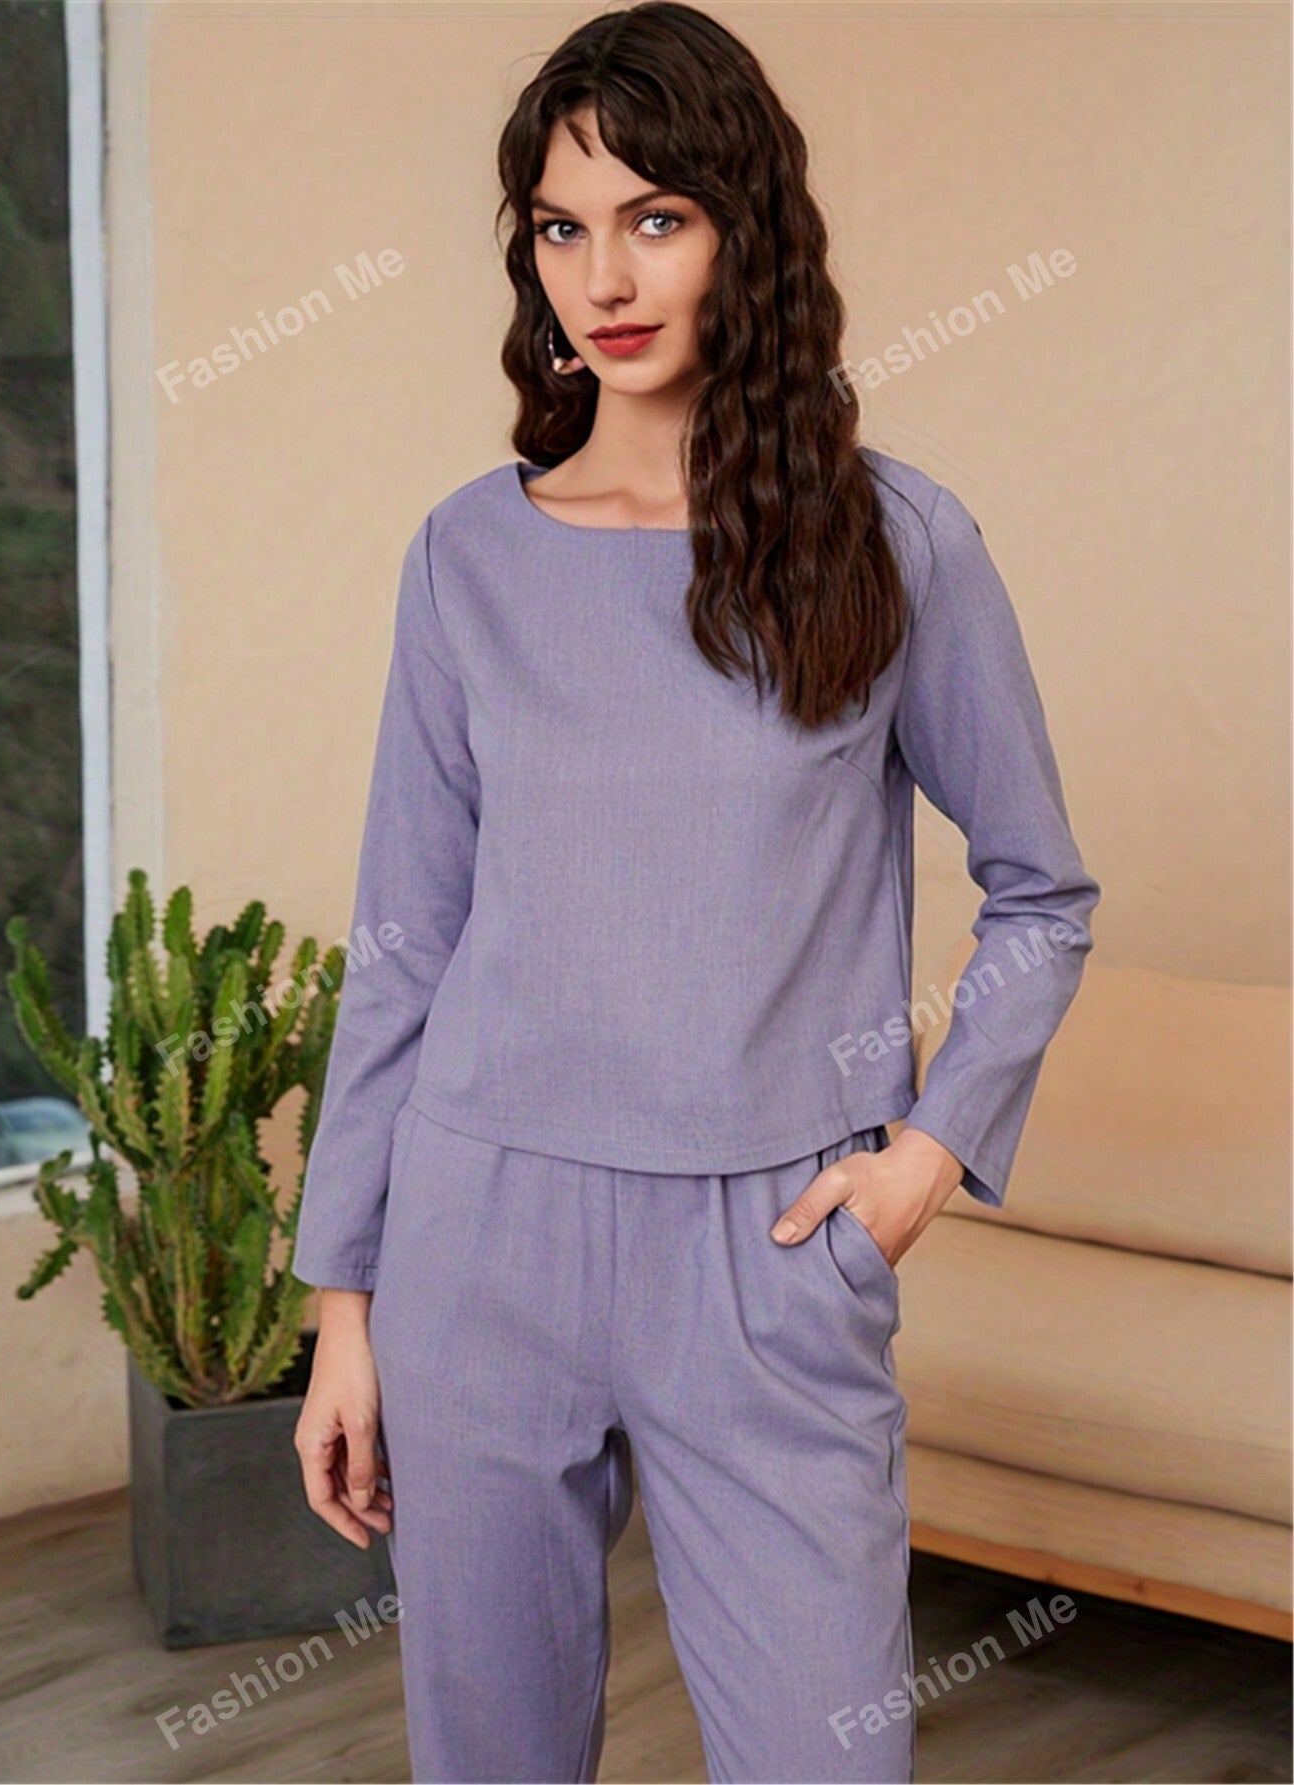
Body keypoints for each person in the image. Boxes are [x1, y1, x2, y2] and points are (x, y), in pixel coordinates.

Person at [290, 4, 1101, 1780]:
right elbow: (406, 942)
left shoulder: (898, 543)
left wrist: (927, 1154)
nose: (605, 276)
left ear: (747, 230)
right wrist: (345, 1303)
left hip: (770, 1246)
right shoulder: (466, 555)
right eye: (562, 228)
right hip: (479, 1232)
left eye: (655, 217)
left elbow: (1044, 890)